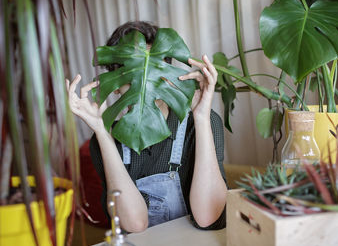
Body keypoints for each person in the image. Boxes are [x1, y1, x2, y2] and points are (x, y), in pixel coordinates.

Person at [66, 21, 227, 232]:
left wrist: (202, 118)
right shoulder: (104, 139)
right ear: (114, 85)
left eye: (152, 68)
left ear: (169, 75)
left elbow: (209, 216)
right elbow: (134, 224)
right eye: (130, 70)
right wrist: (102, 133)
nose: (142, 81)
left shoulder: (200, 124)